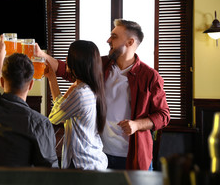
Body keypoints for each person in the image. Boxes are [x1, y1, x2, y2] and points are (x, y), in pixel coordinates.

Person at [35, 19, 170, 170]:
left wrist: (137, 125)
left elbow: (163, 115)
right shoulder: (101, 65)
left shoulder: (150, 76)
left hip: (132, 157)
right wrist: (41, 55)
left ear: (130, 42)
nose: (108, 40)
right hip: (99, 154)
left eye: (114, 36)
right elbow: (70, 69)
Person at [0, 35, 59, 168]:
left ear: (2, 81)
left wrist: (1, 52)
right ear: (30, 85)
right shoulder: (39, 123)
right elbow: (49, 172)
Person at [46, 40, 108, 170]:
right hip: (93, 159)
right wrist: (52, 78)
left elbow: (54, 117)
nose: (66, 59)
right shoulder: (92, 88)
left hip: (81, 163)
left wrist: (53, 79)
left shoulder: (80, 93)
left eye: (69, 56)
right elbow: (62, 108)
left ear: (77, 62)